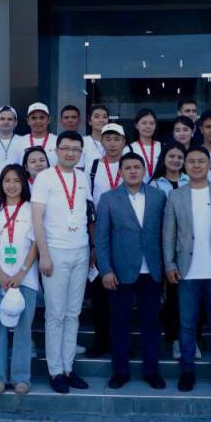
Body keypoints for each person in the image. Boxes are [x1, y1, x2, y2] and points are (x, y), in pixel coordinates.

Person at [163, 146, 211, 394]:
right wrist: (169, 265)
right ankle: (187, 371)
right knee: (186, 326)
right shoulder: (175, 196)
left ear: (209, 165)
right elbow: (168, 235)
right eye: (192, 162)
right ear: (185, 165)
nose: (196, 166)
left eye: (201, 161)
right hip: (186, 272)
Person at [95, 153, 167, 390]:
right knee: (119, 323)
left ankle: (151, 371)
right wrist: (106, 270)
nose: (133, 171)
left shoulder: (158, 196)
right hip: (120, 271)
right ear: (121, 172)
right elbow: (102, 239)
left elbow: (165, 233)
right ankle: (120, 371)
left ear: (144, 170)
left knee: (151, 323)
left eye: (137, 167)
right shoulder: (108, 198)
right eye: (128, 168)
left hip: (152, 271)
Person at [32, 131, 90, 393]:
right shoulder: (44, 177)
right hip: (55, 251)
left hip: (80, 250)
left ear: (80, 153)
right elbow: (37, 219)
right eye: (65, 148)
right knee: (55, 314)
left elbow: (85, 213)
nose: (70, 153)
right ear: (56, 151)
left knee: (73, 313)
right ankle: (54, 371)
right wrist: (44, 254)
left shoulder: (82, 177)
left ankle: (68, 367)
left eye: (75, 149)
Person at [0, 164, 40, 394]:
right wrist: (0, 274)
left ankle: (21, 377)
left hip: (26, 277)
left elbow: (36, 244)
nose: (12, 185)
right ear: (1, 184)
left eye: (16, 180)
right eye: (7, 180)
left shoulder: (31, 209)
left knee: (24, 328)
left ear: (23, 184)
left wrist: (21, 273)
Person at [85, 122, 129, 358]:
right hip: (99, 235)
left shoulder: (131, 165)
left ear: (124, 142)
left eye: (117, 139)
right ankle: (101, 341)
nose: (112, 144)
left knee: (124, 293)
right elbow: (88, 207)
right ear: (101, 141)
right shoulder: (92, 167)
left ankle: (122, 342)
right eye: (108, 139)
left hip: (125, 237)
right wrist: (94, 244)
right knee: (100, 293)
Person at [150, 141, 195, 359]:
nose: (175, 160)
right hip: (162, 244)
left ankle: (184, 339)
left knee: (185, 295)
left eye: (179, 157)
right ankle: (171, 336)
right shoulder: (154, 184)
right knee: (167, 294)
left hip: (188, 246)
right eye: (171, 156)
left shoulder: (192, 180)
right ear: (163, 159)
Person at [126, 108, 161, 183]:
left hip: (160, 189)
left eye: (152, 123)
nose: (148, 126)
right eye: (144, 123)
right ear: (136, 126)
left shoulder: (163, 147)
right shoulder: (128, 149)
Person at [25, 102, 58, 166]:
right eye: (34, 118)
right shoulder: (19, 142)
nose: (38, 121)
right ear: (28, 121)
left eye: (42, 117)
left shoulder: (58, 141)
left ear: (49, 120)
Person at [80, 103, 110, 170]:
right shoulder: (83, 142)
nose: (101, 120)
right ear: (90, 121)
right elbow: (79, 169)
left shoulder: (114, 143)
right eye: (97, 116)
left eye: (104, 117)